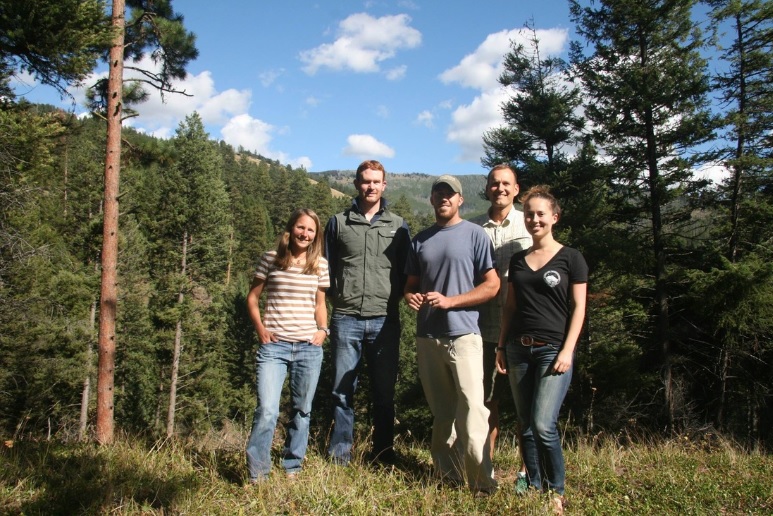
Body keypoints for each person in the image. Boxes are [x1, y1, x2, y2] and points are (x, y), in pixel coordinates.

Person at [404, 175, 499, 495]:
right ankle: (449, 479)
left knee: (472, 412)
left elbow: (492, 285)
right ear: (431, 200)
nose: (443, 198)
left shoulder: (475, 235)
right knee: (443, 415)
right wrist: (410, 296)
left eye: (450, 194)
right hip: (428, 337)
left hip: (464, 336)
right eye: (438, 193)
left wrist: (451, 301)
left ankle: (483, 485)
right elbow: (411, 286)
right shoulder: (420, 240)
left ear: (461, 200)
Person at [496, 186, 588, 513]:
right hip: (518, 349)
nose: (535, 219)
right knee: (524, 423)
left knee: (543, 423)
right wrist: (502, 345)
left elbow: (579, 308)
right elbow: (509, 307)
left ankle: (556, 490)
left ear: (554, 217)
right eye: (530, 214)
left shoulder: (571, 258)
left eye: (541, 214)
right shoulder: (519, 260)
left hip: (553, 351)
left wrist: (568, 350)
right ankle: (533, 484)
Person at [326, 159, 411, 465]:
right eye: (365, 181)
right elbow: (327, 269)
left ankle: (383, 455)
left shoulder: (399, 225)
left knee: (384, 393)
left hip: (385, 320)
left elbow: (407, 273)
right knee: (341, 392)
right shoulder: (337, 223)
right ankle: (340, 456)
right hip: (345, 318)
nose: (371, 186)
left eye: (376, 181)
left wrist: (394, 301)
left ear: (384, 185)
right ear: (356, 184)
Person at [245, 208, 330, 482]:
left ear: (316, 235)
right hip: (275, 348)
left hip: (308, 347)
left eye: (310, 230)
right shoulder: (271, 259)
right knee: (267, 410)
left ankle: (292, 467)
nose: (304, 234)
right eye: (300, 228)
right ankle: (258, 474)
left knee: (302, 411)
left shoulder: (320, 265)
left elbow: (320, 304)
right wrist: (261, 329)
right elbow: (252, 298)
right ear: (290, 229)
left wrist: (323, 331)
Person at [470, 164, 531, 489]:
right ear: (487, 188)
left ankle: (526, 472)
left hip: (523, 327)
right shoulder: (473, 227)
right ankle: (486, 469)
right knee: (486, 404)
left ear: (516, 188)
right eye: (495, 183)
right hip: (483, 327)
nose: (500, 189)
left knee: (526, 407)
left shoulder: (529, 222)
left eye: (506, 184)